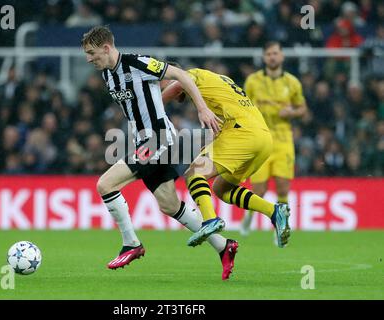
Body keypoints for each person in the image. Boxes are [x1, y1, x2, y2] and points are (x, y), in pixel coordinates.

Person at [81, 26, 238, 280]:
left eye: (91, 52)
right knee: (168, 204)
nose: (89, 59)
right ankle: (224, 246)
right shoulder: (108, 76)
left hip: (159, 139)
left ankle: (131, 243)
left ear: (106, 48)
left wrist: (202, 109)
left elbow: (182, 76)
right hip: (144, 141)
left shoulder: (138, 63)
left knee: (105, 184)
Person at [161, 63, 291, 248]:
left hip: (243, 134)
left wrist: (154, 103)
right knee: (222, 188)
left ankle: (210, 220)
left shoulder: (192, 74)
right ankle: (274, 211)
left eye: (160, 83)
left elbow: (181, 82)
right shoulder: (219, 82)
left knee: (194, 173)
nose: (162, 87)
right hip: (262, 138)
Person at [240, 41, 308, 238]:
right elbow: (243, 105)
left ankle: (282, 227)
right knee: (259, 189)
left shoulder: (292, 83)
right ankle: (249, 216)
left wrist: (292, 112)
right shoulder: (252, 81)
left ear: (282, 56)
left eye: (275, 53)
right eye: (269, 53)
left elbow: (303, 108)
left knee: (282, 186)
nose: (272, 57)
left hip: (283, 139)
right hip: (261, 138)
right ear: (263, 57)